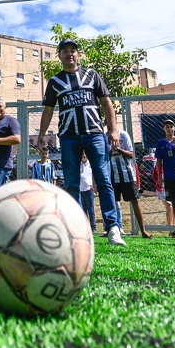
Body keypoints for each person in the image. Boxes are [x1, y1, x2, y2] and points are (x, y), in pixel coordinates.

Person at [37, 39, 126, 246]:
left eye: (73, 51)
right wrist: (42, 134)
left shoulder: (92, 75)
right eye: (65, 51)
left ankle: (113, 228)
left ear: (78, 55)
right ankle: (76, 229)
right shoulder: (54, 82)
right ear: (59, 56)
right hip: (68, 137)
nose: (69, 54)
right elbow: (48, 109)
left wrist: (112, 130)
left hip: (95, 134)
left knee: (104, 180)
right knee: (71, 184)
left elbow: (106, 102)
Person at [110, 129, 152, 238]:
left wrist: (118, 149)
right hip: (112, 174)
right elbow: (104, 156)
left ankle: (143, 230)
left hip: (127, 174)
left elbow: (131, 154)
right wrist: (111, 150)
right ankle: (112, 230)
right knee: (112, 202)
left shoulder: (123, 135)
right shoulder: (105, 137)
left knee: (134, 200)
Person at [79, 152, 96, 233]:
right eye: (83, 154)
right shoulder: (79, 164)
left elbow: (93, 175)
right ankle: (85, 227)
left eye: (85, 154)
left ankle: (93, 228)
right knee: (83, 210)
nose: (84, 155)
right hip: (81, 190)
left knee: (91, 210)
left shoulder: (90, 165)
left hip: (89, 190)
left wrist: (93, 185)